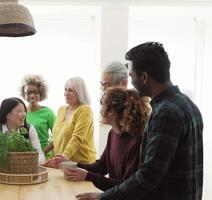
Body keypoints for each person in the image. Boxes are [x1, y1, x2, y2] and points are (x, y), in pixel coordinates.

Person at [76, 42, 204, 200]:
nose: (130, 82)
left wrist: (104, 197)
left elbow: (148, 176)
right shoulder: (187, 104)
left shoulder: (165, 113)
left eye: (131, 76)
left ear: (144, 77)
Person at [54, 88, 150, 192]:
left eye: (102, 106)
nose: (100, 110)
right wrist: (71, 163)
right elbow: (101, 167)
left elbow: (127, 187)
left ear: (111, 111)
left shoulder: (136, 141)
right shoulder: (112, 133)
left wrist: (87, 176)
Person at [49, 77, 96, 164]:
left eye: (70, 90)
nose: (66, 93)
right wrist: (49, 156)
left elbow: (77, 138)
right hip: (63, 163)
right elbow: (58, 138)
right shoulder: (61, 110)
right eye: (65, 89)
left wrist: (64, 156)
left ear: (79, 93)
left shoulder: (85, 110)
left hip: (82, 163)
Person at [0, 97, 46, 164]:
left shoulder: (29, 128)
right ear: (8, 115)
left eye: (24, 111)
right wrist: (15, 163)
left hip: (25, 170)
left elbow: (40, 155)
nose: (24, 114)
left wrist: (25, 163)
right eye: (20, 111)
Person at [19, 74, 56, 157]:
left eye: (35, 92)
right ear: (24, 94)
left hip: (43, 157)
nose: (32, 96)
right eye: (28, 93)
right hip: (23, 158)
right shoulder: (21, 112)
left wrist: (42, 153)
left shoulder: (48, 112)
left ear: (41, 93)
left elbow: (58, 136)